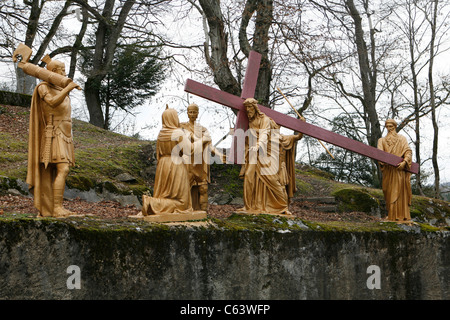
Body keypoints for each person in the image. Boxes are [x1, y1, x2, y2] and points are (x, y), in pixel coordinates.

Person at [26, 57, 80, 217]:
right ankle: (55, 208)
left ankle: (57, 207)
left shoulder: (59, 87)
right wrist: (67, 89)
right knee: (63, 169)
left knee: (60, 170)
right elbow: (52, 103)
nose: (64, 73)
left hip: (65, 134)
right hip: (53, 134)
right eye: (61, 70)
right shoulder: (43, 87)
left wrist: (64, 88)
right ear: (53, 72)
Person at [237, 98, 299, 215]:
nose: (248, 111)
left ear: (255, 108)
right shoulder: (250, 121)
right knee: (249, 177)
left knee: (271, 179)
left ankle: (283, 206)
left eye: (250, 108)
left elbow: (264, 134)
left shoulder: (265, 120)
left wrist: (258, 145)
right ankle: (248, 206)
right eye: (246, 109)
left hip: (268, 153)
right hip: (254, 154)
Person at [140, 107, 199, 215]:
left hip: (163, 165)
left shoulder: (161, 134)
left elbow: (158, 153)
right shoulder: (178, 133)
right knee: (182, 203)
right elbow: (189, 150)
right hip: (176, 165)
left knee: (164, 195)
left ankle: (155, 203)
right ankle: (151, 202)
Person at [377, 119, 413, 222]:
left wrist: (405, 162)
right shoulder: (381, 140)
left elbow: (408, 151)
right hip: (388, 171)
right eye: (387, 127)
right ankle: (391, 215)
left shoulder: (402, 139)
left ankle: (401, 216)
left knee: (399, 193)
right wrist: (382, 161)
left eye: (391, 126)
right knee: (387, 191)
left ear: (395, 127)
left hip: (399, 171)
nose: (389, 129)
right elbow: (379, 154)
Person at [180, 103, 212, 211]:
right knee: (186, 188)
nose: (192, 114)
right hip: (187, 162)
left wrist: (219, 154)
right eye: (190, 112)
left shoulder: (203, 129)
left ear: (198, 114)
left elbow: (209, 145)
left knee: (203, 188)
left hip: (200, 162)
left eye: (194, 112)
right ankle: (186, 210)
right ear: (187, 113)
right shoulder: (182, 127)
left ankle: (203, 212)